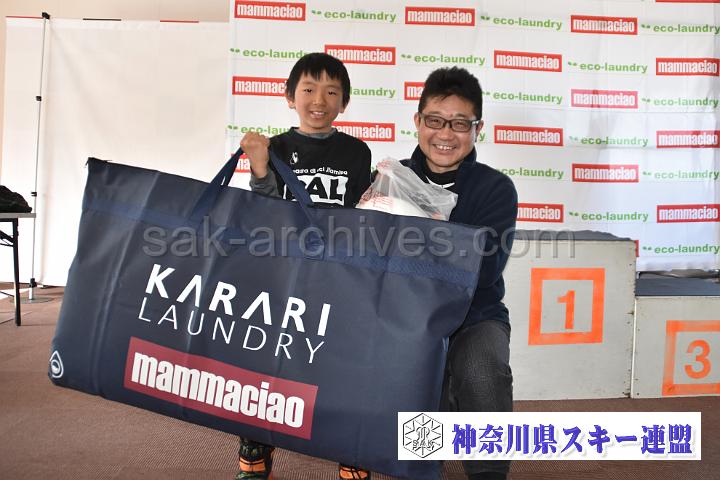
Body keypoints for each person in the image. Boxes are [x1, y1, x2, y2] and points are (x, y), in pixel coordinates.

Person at [236, 52, 372, 480]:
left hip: (338, 275)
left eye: (332, 92)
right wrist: (260, 166)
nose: (319, 100)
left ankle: (351, 449)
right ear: (289, 96)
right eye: (309, 89)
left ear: (344, 102)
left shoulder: (357, 152)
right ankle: (255, 446)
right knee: (267, 360)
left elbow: (362, 215)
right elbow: (263, 211)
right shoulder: (276, 147)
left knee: (343, 365)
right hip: (283, 274)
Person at [403, 67, 517, 480]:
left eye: (459, 124)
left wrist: (422, 237)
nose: (445, 134)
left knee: (481, 369)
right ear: (418, 121)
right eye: (435, 120)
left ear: (477, 129)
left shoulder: (495, 188)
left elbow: (484, 271)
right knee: (406, 391)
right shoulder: (392, 180)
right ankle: (416, 465)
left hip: (475, 317)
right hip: (406, 320)